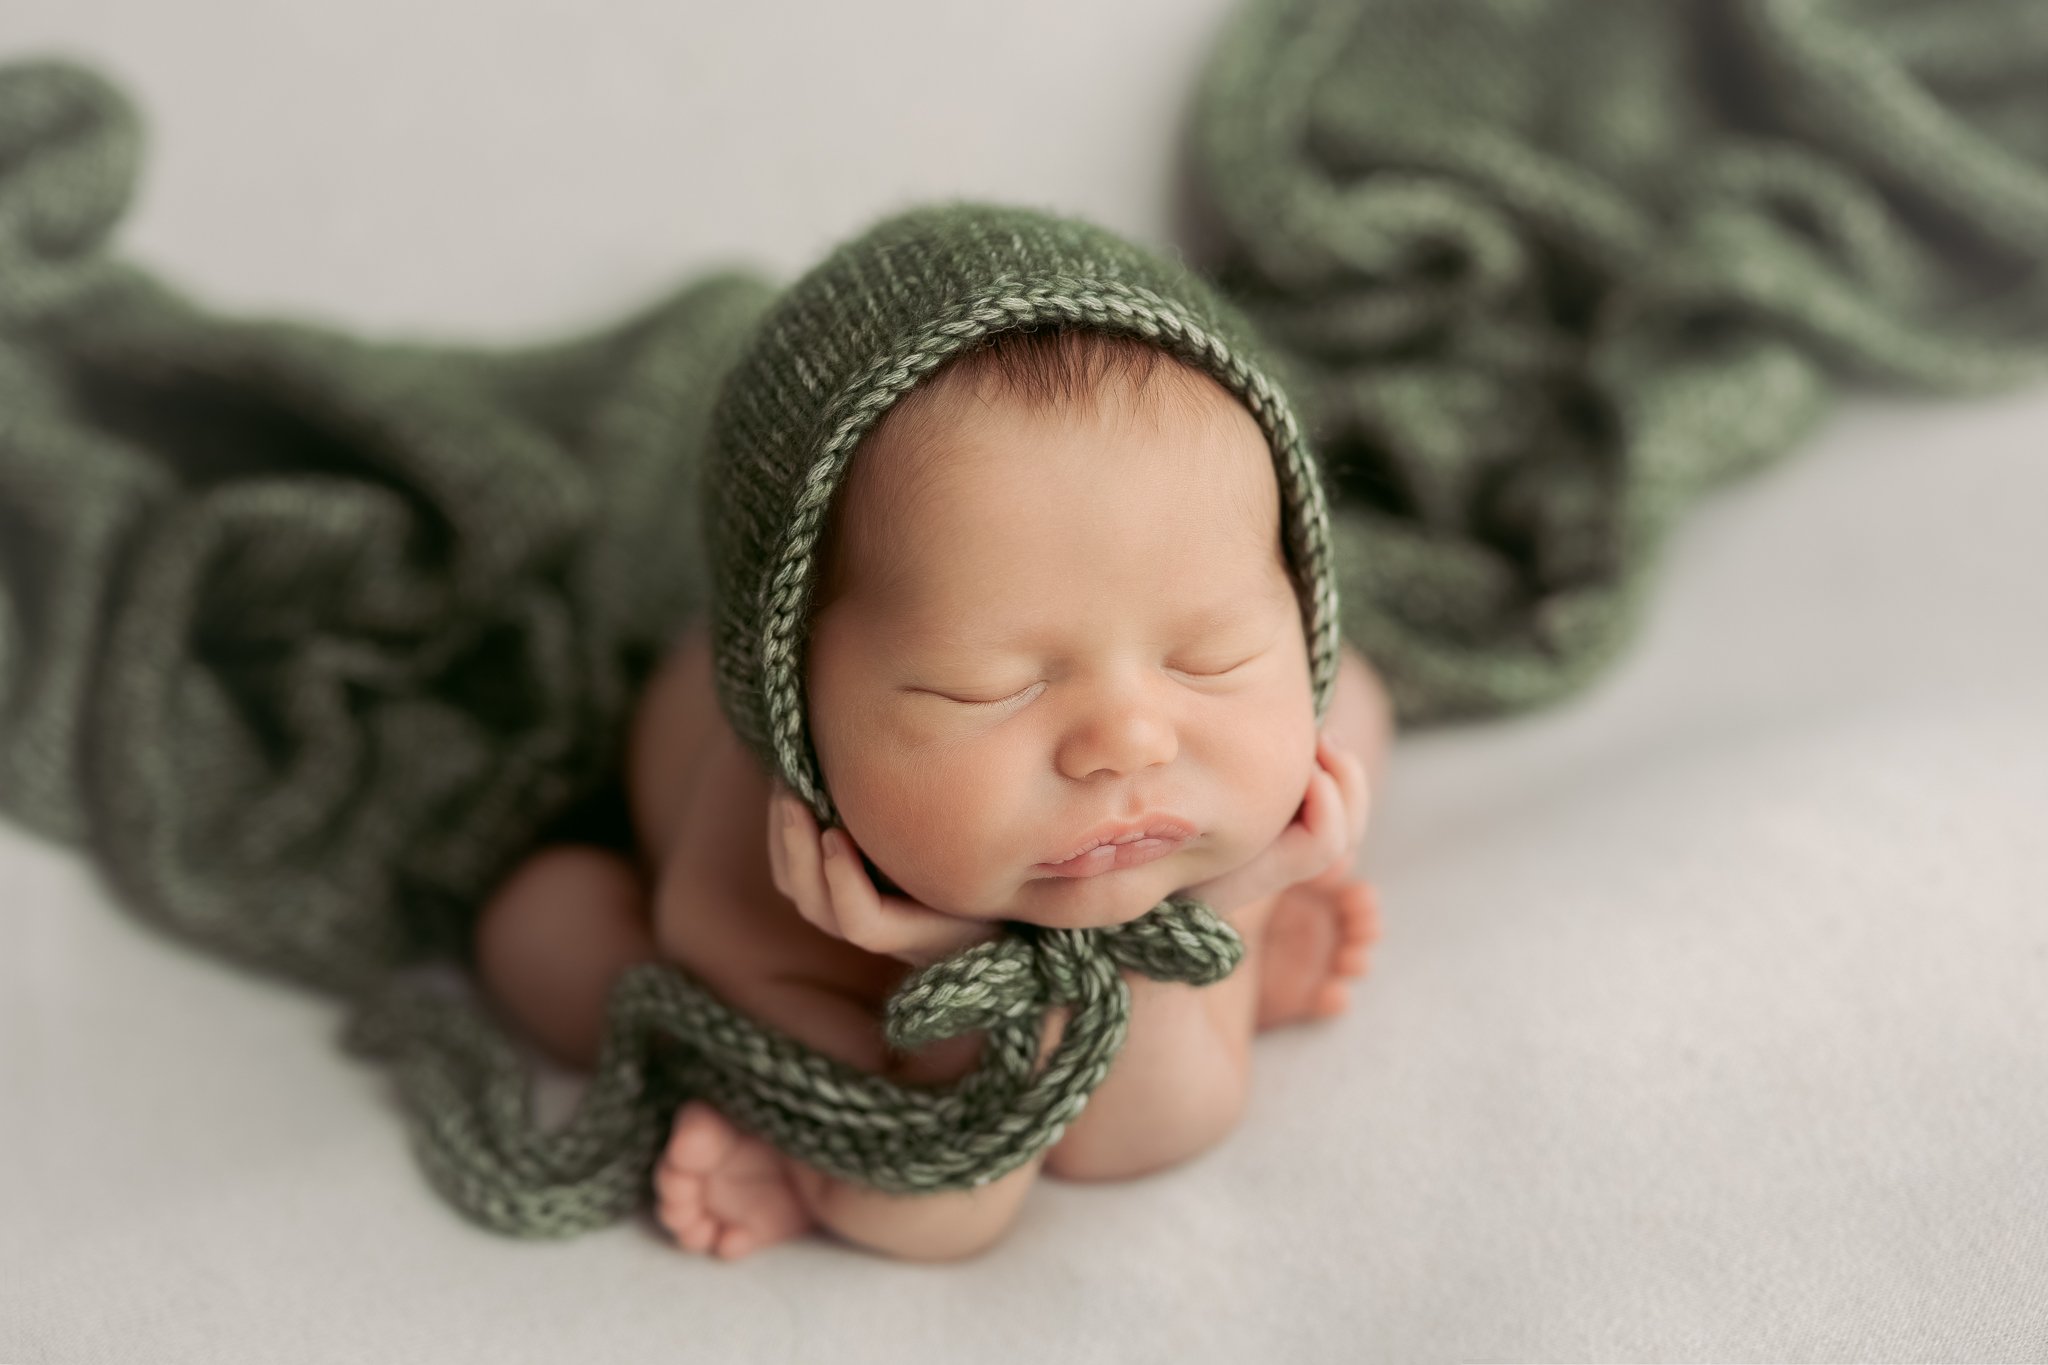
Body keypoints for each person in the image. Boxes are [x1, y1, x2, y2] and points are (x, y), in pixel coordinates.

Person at [474, 204, 1397, 1262]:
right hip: (746, 943)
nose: (1128, 740)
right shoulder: (748, 899)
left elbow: (1138, 1143)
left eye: (1209, 657)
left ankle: (1224, 924)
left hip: (1127, 850)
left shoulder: (1173, 807)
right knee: (538, 931)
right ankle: (770, 1117)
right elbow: (935, 1216)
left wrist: (1206, 912)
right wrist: (961, 965)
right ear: (797, 712)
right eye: (983, 689)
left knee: (1355, 709)